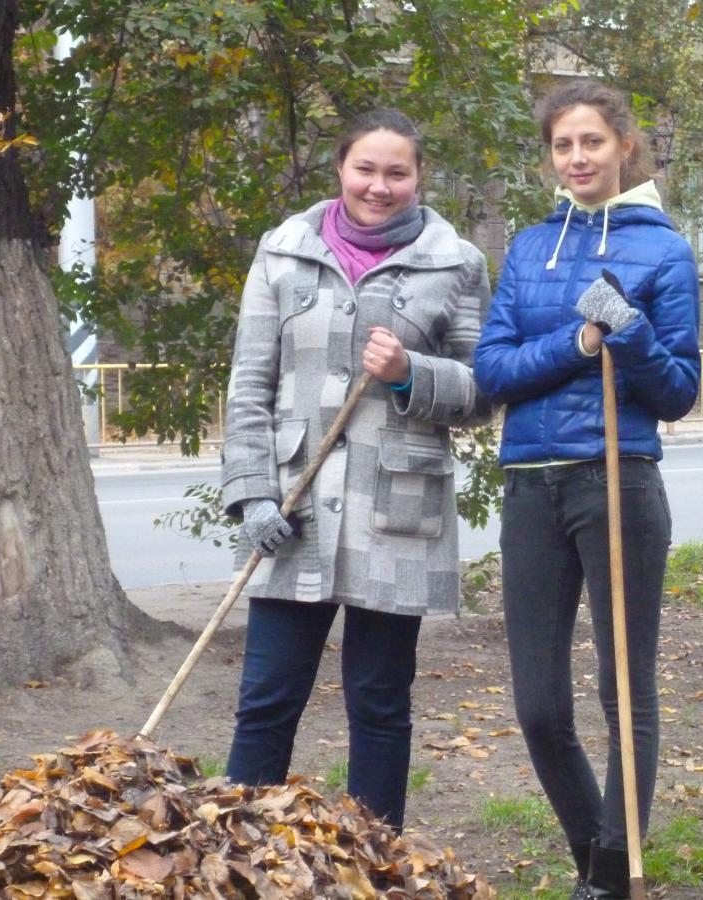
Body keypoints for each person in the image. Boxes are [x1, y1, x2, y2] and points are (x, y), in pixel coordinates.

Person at [219, 108, 491, 832]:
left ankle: (376, 860)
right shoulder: (283, 251)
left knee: (378, 703)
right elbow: (249, 384)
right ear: (340, 168)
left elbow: (480, 389)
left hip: (396, 511)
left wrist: (410, 374)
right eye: (365, 169)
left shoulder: (455, 262)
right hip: (294, 509)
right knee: (267, 697)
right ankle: (240, 856)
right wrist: (252, 496)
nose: (379, 185)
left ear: (418, 177)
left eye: (396, 172)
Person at [473, 81, 700, 899]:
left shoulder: (666, 251)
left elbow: (676, 392)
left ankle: (610, 877)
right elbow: (492, 370)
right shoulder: (531, 248)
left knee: (624, 692)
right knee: (538, 706)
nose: (578, 158)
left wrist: (630, 335)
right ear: (551, 155)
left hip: (618, 481)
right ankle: (595, 854)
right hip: (532, 485)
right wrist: (578, 341)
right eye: (564, 145)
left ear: (623, 147)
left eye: (592, 142)